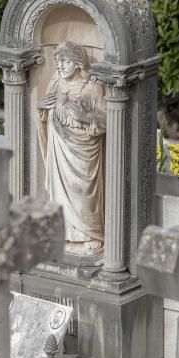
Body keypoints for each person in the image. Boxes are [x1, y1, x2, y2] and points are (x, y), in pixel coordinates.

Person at [38, 41, 107, 258]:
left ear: (78, 63)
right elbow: (46, 112)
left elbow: (107, 121)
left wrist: (85, 117)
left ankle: (91, 235)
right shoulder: (56, 83)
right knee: (60, 193)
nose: (60, 66)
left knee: (83, 193)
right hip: (59, 146)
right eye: (58, 61)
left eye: (66, 61)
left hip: (84, 151)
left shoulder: (92, 88)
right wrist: (41, 108)